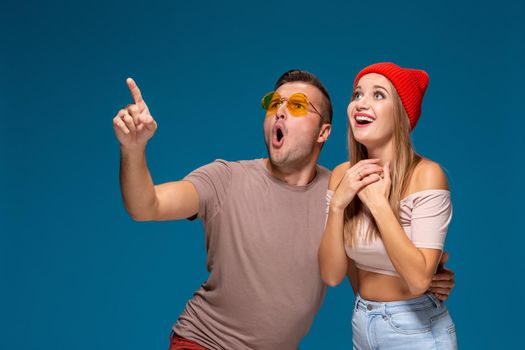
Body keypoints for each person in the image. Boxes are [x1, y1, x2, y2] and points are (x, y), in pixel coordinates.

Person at [112, 69, 455, 350]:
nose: (280, 110)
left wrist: (426, 280)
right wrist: (133, 148)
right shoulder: (225, 178)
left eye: (298, 105)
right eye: (275, 102)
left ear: (324, 132)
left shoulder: (341, 186)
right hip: (204, 342)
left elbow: (360, 269)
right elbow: (146, 205)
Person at [318, 62, 457, 349]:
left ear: (402, 115)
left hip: (416, 329)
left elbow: (419, 280)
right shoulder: (342, 176)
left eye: (378, 95)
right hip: (362, 322)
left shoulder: (427, 175)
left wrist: (378, 204)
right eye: (357, 94)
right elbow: (332, 275)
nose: (361, 103)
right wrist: (338, 207)